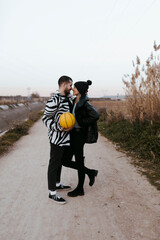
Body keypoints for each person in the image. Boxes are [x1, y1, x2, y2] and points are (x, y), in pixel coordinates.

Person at [62, 80, 99, 197]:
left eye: (75, 88)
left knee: (78, 160)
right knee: (65, 160)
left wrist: (81, 123)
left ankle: (80, 189)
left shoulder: (85, 103)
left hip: (79, 135)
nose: (73, 89)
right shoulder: (75, 100)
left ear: (80, 90)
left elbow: (96, 115)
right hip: (73, 134)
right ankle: (90, 172)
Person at [42, 75, 73, 204]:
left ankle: (58, 183)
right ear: (64, 84)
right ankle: (52, 192)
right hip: (57, 138)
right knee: (54, 163)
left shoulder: (68, 98)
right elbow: (45, 119)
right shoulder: (54, 100)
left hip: (66, 138)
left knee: (60, 161)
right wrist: (59, 127)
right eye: (70, 85)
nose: (71, 88)